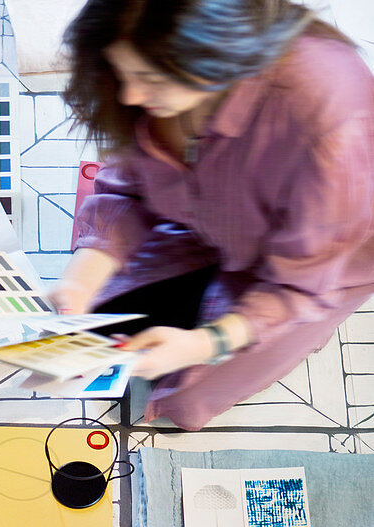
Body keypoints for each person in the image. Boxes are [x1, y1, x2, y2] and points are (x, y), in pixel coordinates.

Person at [51, 0, 374, 429]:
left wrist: (209, 343)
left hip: (313, 263)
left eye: (149, 78)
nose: (131, 95)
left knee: (186, 399)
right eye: (122, 74)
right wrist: (82, 278)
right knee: (104, 320)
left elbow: (301, 284)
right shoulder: (151, 80)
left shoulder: (329, 121)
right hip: (208, 219)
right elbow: (127, 181)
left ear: (216, 53)